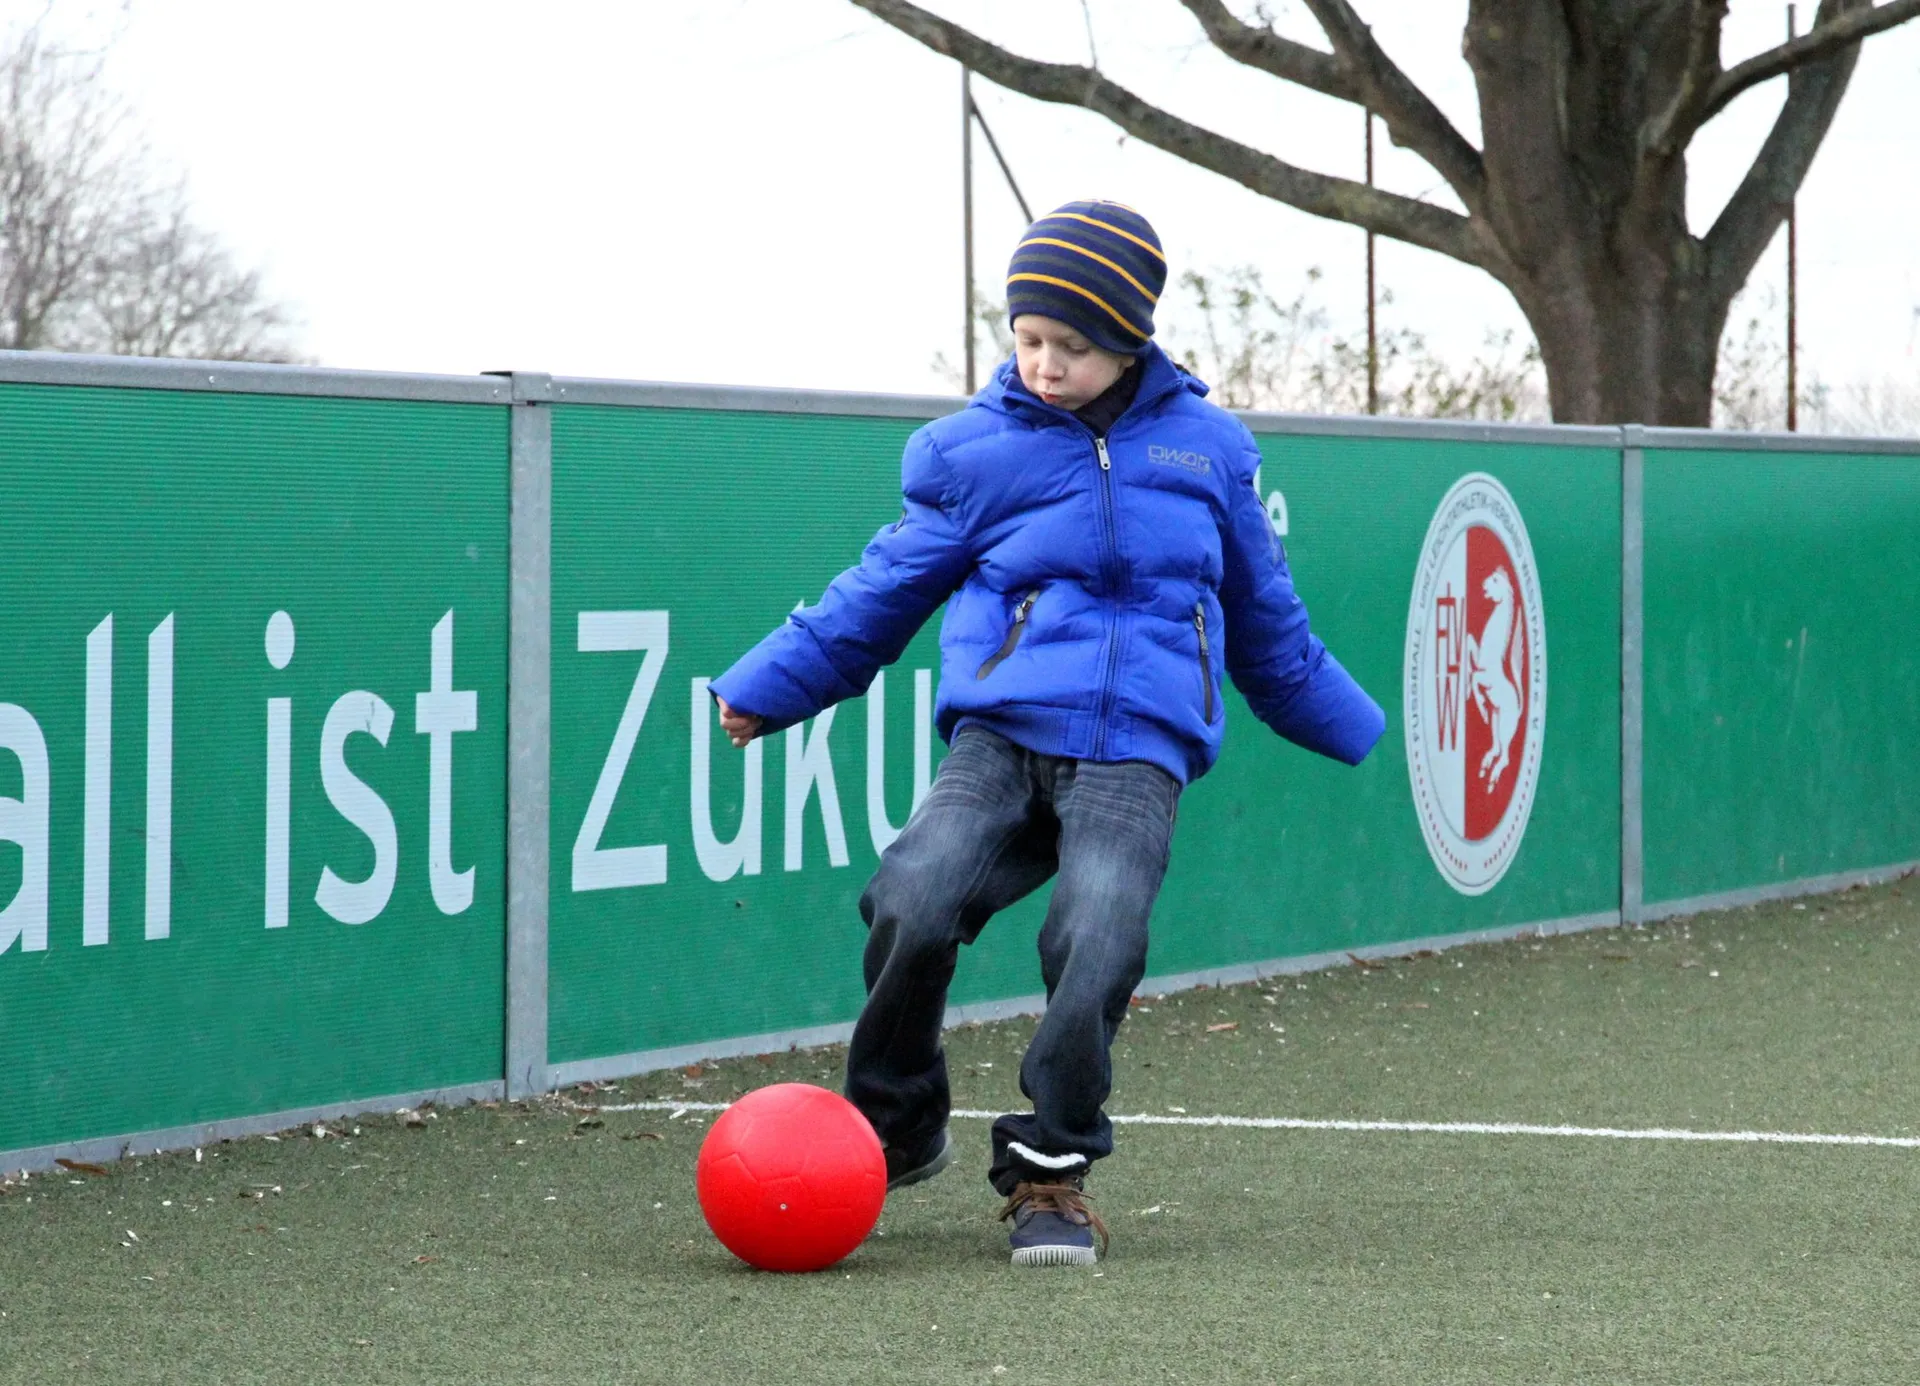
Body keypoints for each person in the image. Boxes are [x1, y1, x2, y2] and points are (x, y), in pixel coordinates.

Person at [709, 200, 1384, 1267]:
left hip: (1136, 752)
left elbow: (1269, 625)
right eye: (1028, 340)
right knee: (913, 894)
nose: (1044, 364)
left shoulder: (1209, 453)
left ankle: (1050, 1171)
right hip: (1001, 740)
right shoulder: (975, 455)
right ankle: (897, 1116)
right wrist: (769, 686)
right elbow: (876, 592)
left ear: (1130, 339)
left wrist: (1352, 726)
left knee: (1099, 927)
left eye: (1071, 346)